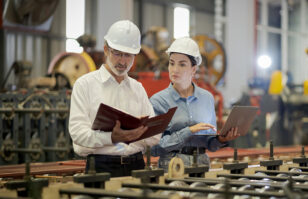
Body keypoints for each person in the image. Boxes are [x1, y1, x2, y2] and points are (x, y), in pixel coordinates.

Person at [69, 20, 160, 177]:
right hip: (100, 166)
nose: (122, 61)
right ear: (106, 49)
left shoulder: (137, 88)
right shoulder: (85, 85)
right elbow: (77, 133)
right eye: (117, 53)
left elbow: (155, 135)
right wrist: (111, 138)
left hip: (137, 165)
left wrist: (136, 134)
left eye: (128, 55)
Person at [150, 37, 239, 171]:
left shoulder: (207, 98)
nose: (175, 69)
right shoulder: (158, 101)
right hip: (172, 167)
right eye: (171, 63)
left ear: (193, 69)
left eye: (182, 64)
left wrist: (221, 139)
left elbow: (210, 143)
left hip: (202, 165)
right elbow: (154, 148)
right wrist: (189, 131)